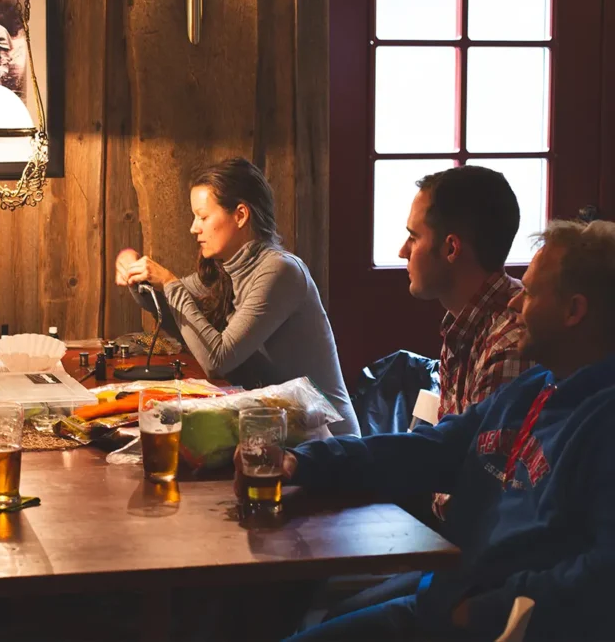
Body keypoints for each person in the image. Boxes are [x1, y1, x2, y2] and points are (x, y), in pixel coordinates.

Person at [249, 219, 615, 642]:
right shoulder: (534, 387)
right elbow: (428, 450)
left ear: (574, 311)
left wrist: (480, 612)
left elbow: (602, 575)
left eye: (530, 294)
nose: (515, 305)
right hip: (442, 601)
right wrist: (300, 461)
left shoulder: (603, 420)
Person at [115, 157, 360, 437]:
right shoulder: (227, 270)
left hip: (328, 444)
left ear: (241, 215)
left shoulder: (280, 271)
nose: (194, 227)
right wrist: (137, 277)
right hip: (279, 430)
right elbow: (177, 317)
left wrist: (169, 283)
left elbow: (218, 359)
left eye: (203, 217)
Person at [400, 165, 532, 421]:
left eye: (413, 238)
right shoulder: (463, 321)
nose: (402, 251)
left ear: (451, 248)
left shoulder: (510, 344)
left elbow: (479, 459)